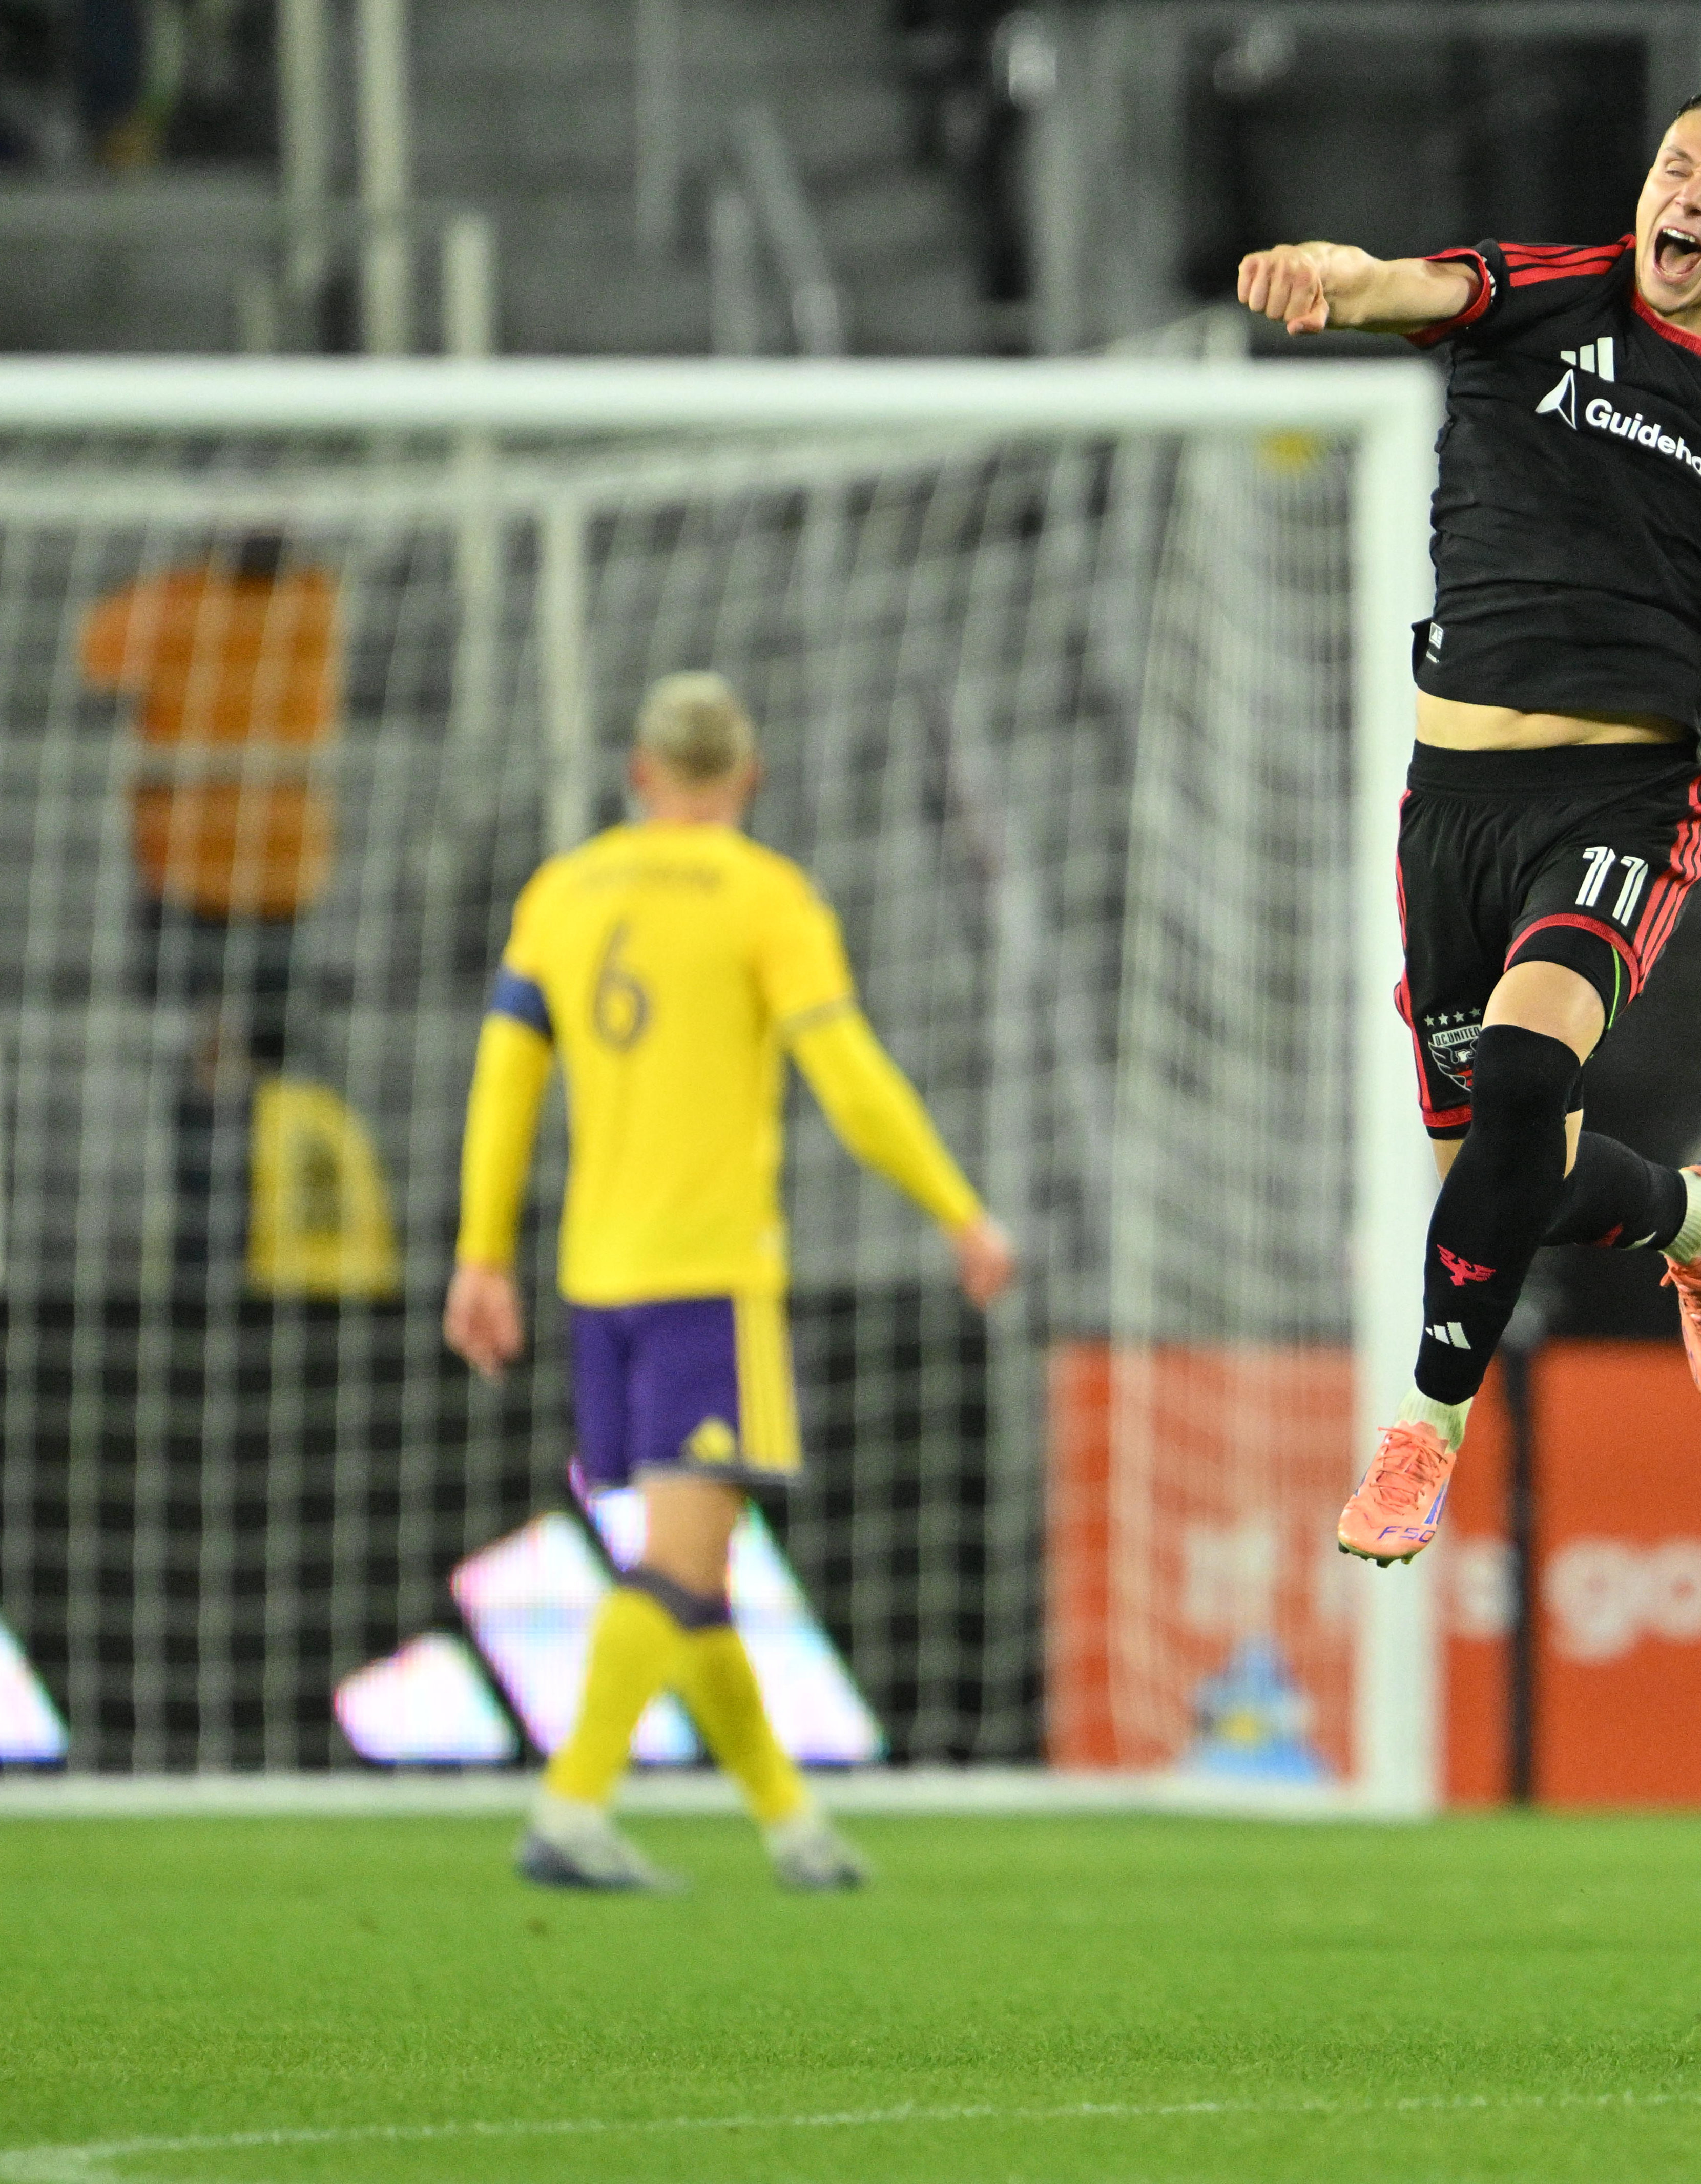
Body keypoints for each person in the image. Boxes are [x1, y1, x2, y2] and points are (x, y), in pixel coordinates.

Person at [1236, 83, 1701, 1569]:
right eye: (1672, 170)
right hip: (1448, 807)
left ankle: (1425, 1427)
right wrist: (1326, 272)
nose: (1685, 203)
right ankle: (1697, 1224)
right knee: (1502, 1172)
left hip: (1621, 797)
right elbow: (1398, 283)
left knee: (1521, 1071)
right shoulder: (1538, 290)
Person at [445, 672, 1017, 1893]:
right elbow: (850, 1078)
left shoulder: (562, 891)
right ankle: (571, 1803)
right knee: (684, 1558)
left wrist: (480, 1254)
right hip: (708, 1274)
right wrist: (960, 1210)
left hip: (595, 1280)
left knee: (693, 1561)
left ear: (640, 773)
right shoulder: (767, 897)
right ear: (747, 776)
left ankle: (791, 1826)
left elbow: (504, 1085)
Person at [79, 531, 340, 1273]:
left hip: (258, 874)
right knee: (220, 1056)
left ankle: (252, 1241)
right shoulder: (303, 597)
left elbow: (95, 661)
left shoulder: (285, 598)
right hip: (203, 873)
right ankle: (217, 1245)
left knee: (253, 1059)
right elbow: (96, 662)